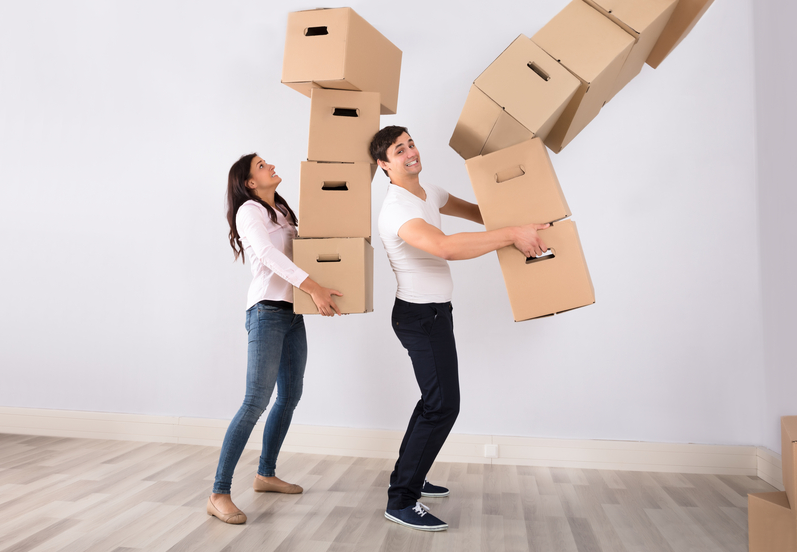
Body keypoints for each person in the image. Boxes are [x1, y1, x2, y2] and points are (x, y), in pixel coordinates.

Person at [369, 126, 548, 532]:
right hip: (418, 318)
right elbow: (447, 246)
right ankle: (401, 500)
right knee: (442, 406)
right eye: (399, 150)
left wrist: (523, 220)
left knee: (432, 403)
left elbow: (478, 213)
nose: (411, 152)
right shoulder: (397, 209)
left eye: (411, 143)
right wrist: (509, 236)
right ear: (384, 165)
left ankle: (409, 476)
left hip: (435, 314)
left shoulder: (427, 191)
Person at [207, 153, 343, 525]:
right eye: (262, 165)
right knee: (255, 402)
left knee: (291, 395)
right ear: (250, 182)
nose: (271, 166)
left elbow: (301, 254)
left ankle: (265, 474)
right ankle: (218, 492)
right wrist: (314, 287)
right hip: (266, 311)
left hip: (292, 312)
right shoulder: (249, 211)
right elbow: (267, 255)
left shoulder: (280, 210)